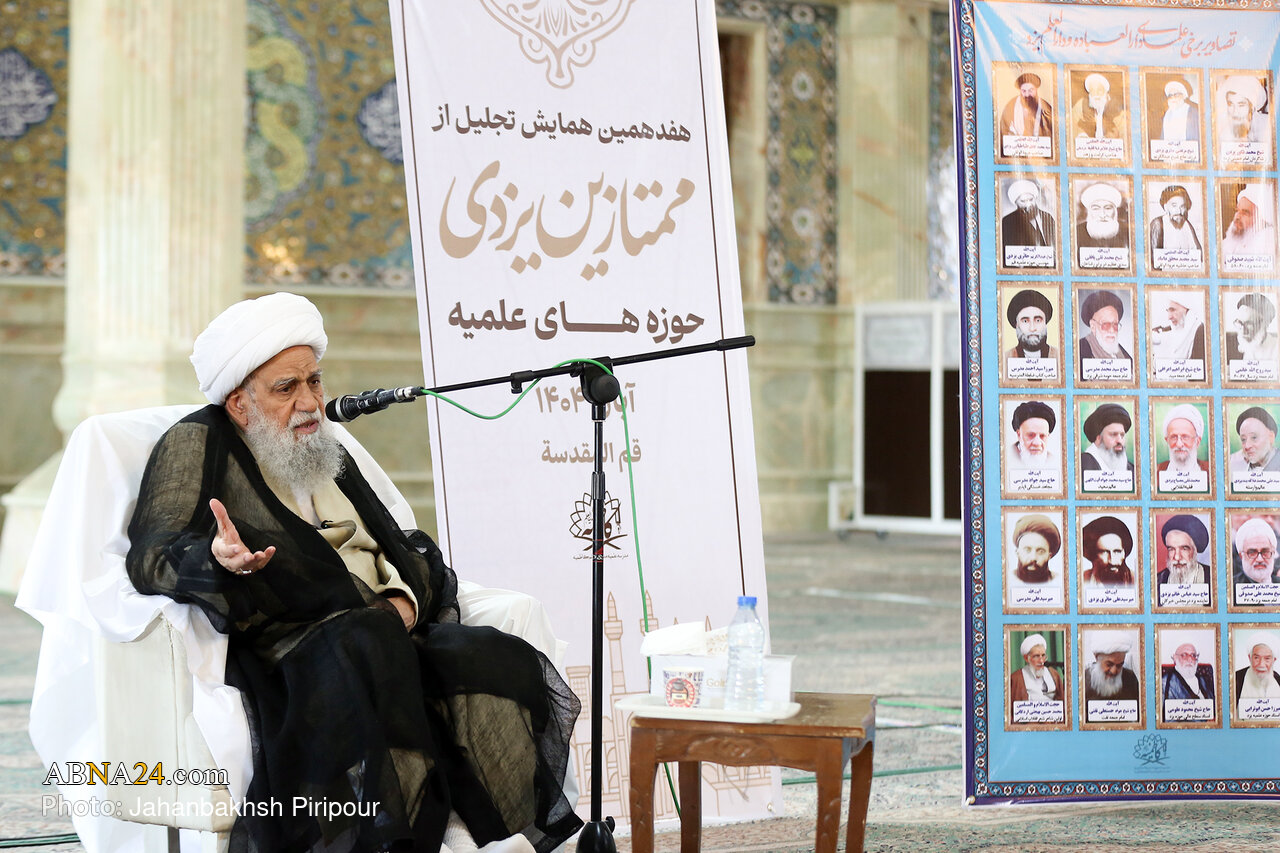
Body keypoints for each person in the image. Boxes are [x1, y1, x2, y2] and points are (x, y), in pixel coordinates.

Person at [126, 293, 583, 853]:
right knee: (367, 643)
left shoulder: (323, 444)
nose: (309, 402)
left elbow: (402, 544)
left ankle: (495, 834)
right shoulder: (198, 441)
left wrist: (405, 601)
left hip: (384, 627)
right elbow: (152, 555)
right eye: (286, 388)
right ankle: (409, 841)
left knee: (489, 655)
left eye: (314, 381)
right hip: (295, 647)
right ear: (240, 404)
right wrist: (215, 560)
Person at [1147, 185, 1202, 266]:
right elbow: (1153, 261)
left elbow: (1199, 256)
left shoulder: (1187, 224)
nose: (1179, 211)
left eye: (1182, 206)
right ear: (1166, 207)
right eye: (1174, 205)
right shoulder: (1158, 224)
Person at [1077, 290, 1132, 366]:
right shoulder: (1080, 350)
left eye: (1115, 325)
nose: (1112, 330)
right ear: (1093, 326)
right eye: (1105, 324)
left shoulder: (1122, 353)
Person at [1157, 514, 1211, 589]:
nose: (1177, 557)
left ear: (1195, 550)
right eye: (1171, 549)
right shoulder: (1158, 580)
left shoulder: (1213, 577)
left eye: (1184, 549)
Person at [1000, 72, 1053, 148]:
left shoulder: (1046, 108)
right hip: (1016, 151)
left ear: (1036, 90)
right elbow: (1004, 132)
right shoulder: (1010, 107)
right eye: (1024, 91)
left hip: (1039, 151)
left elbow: (1051, 135)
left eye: (1031, 90)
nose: (1027, 94)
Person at [1008, 633, 1064, 705]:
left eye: (1043, 655)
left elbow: (1062, 702)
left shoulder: (1054, 674)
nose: (1041, 661)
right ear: (1026, 658)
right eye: (1036, 656)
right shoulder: (1016, 678)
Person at [1221, 184, 1276, 257]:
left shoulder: (1268, 240)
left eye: (1245, 213)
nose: (1238, 216)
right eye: (1237, 210)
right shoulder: (1233, 239)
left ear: (1260, 218)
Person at [1080, 515, 1134, 586]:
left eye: (1117, 552)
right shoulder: (1083, 580)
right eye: (1104, 552)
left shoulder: (1136, 579)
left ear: (1124, 553)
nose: (1112, 561)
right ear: (1094, 555)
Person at [1000, 180, 1057, 248]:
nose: (1028, 204)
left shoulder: (1047, 217)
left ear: (1035, 198)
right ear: (1016, 203)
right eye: (1023, 201)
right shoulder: (1008, 221)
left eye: (1031, 199)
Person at [1149, 294, 1206, 362]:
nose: (1169, 317)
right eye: (1168, 311)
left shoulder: (1200, 331)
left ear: (1186, 309)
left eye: (1173, 310)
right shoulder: (1172, 330)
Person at [1226, 293, 1280, 363]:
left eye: (1249, 324)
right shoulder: (1230, 347)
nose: (1243, 331)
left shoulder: (1277, 349)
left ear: (1265, 323)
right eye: (1240, 323)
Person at [1218, 75, 1270, 146]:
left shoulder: (1267, 125)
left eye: (1241, 105)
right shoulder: (1223, 132)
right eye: (1231, 104)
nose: (1235, 112)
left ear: (1252, 107)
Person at [1080, 403, 1133, 474]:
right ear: (1098, 439)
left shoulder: (1131, 469)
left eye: (1122, 435)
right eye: (1113, 435)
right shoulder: (1082, 465)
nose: (1119, 441)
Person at [1083, 636, 1140, 702]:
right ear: (1097, 658)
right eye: (1109, 664)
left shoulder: (1131, 678)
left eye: (1119, 665)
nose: (1114, 671)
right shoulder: (1083, 680)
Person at [1157, 404, 1208, 477]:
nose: (1179, 444)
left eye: (1185, 437)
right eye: (1174, 437)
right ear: (1167, 440)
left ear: (1197, 441)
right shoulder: (1156, 471)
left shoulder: (1210, 470)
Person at [1009, 513, 1060, 585]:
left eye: (1041, 551)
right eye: (1027, 550)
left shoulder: (1059, 581)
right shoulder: (1008, 580)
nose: (1033, 558)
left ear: (1049, 556)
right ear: (1017, 553)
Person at [1076, 182, 1128, 249]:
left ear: (1115, 212)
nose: (1102, 215)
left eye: (1108, 208)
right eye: (1096, 209)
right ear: (1088, 212)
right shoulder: (1077, 231)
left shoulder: (1127, 232)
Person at [1070, 73, 1123, 139]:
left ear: (1105, 91)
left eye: (1099, 90)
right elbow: (1070, 124)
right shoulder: (1082, 104)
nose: (1096, 94)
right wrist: (1081, 133)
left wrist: (1116, 137)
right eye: (1092, 90)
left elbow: (1124, 131)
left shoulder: (1115, 106)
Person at [1230, 407, 1280, 473]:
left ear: (1271, 437)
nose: (1247, 446)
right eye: (1243, 439)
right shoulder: (1233, 464)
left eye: (1254, 437)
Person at [1008, 400, 1056, 468]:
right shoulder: (1007, 457)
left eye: (1042, 436)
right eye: (1030, 435)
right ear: (1019, 435)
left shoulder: (1053, 461)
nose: (1037, 443)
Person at [1234, 517, 1279, 586]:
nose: (1259, 559)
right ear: (1241, 556)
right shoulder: (1231, 587)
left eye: (1265, 552)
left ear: (1273, 553)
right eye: (1252, 553)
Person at [1236, 636, 1280, 704]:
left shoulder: (1278, 680)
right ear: (1250, 658)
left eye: (1267, 658)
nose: (1261, 664)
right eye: (1256, 658)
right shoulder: (1236, 678)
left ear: (1274, 660)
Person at [1158, 78, 1200, 142]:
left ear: (1183, 96)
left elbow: (1197, 138)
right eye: (1170, 95)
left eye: (1176, 94)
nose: (1173, 97)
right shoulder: (1167, 115)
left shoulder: (1192, 112)